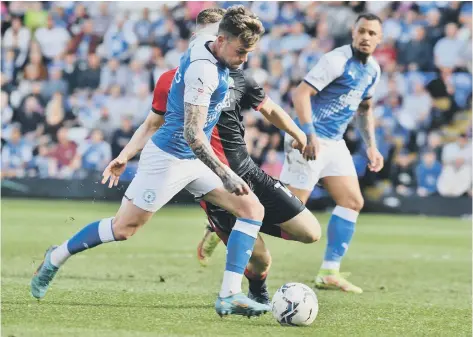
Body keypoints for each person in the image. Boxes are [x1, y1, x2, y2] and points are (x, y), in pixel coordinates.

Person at [31, 6, 269, 318]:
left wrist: (242, 16)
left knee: (252, 209)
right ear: (222, 41)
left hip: (194, 160)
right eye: (240, 51)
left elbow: (211, 24)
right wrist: (225, 174)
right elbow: (193, 135)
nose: (244, 60)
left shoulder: (206, 41)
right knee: (123, 228)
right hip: (169, 158)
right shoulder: (204, 71)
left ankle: (229, 294)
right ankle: (56, 256)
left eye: (249, 52)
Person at [279, 13, 385, 294]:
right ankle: (230, 219)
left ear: (379, 39)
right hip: (309, 138)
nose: (366, 37)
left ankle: (329, 272)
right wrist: (308, 135)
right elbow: (301, 95)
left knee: (352, 201)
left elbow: (364, 108)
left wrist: (371, 146)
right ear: (353, 32)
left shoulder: (373, 69)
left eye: (372, 33)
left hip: (335, 143)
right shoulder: (336, 60)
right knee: (290, 218)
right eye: (362, 31)